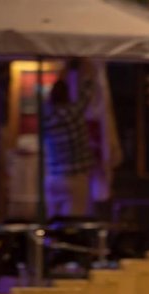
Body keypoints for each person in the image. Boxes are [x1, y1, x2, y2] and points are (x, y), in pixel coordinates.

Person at [44, 58, 97, 219]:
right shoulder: (73, 113)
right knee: (72, 224)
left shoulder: (47, 117)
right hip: (75, 176)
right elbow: (88, 89)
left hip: (53, 177)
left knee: (53, 225)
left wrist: (65, 69)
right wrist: (87, 62)